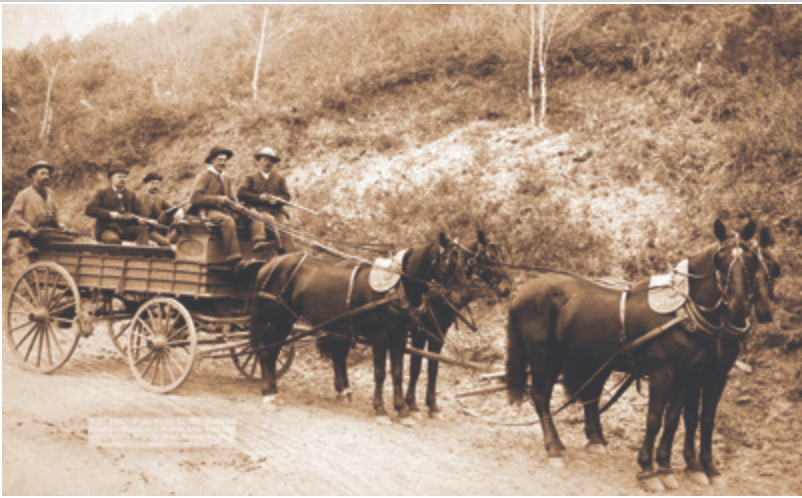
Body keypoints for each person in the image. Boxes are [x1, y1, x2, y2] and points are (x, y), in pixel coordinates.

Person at [188, 145, 244, 267]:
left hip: (225, 210)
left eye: (225, 160)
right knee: (227, 221)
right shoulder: (204, 176)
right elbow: (195, 198)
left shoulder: (226, 177)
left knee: (249, 218)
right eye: (220, 160)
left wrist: (238, 206)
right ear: (212, 160)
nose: (223, 163)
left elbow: (232, 197)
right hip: (208, 210)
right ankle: (233, 257)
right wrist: (217, 199)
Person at [237, 146, 296, 255]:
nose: (267, 163)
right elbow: (241, 194)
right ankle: (279, 249)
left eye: (270, 161)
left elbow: (287, 196)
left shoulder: (280, 179)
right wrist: (259, 197)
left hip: (276, 211)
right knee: (269, 220)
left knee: (285, 226)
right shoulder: (250, 178)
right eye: (264, 160)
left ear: (273, 164)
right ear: (258, 162)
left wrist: (278, 200)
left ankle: (291, 254)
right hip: (258, 211)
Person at [7, 160, 73, 253]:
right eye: (42, 174)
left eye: (47, 174)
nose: (46, 177)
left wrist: (61, 224)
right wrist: (29, 230)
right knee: (66, 243)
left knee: (71, 240)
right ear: (33, 175)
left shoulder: (51, 193)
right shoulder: (24, 194)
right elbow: (13, 216)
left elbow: (57, 212)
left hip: (51, 231)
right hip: (34, 235)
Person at [85, 162, 149, 245]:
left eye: (125, 177)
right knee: (114, 240)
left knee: (142, 230)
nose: (122, 179)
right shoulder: (102, 193)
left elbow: (136, 212)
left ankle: (143, 255)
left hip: (125, 229)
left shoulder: (130, 195)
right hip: (107, 228)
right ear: (111, 178)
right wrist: (110, 214)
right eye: (119, 177)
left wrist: (139, 219)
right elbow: (89, 210)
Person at [137, 171, 172, 246]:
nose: (155, 186)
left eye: (157, 184)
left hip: (157, 229)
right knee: (165, 243)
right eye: (152, 183)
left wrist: (179, 212)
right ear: (146, 184)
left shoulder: (159, 199)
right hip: (143, 230)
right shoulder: (138, 198)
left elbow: (171, 209)